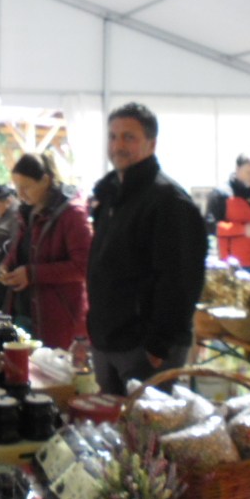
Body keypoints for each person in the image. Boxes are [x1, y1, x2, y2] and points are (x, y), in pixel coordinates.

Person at [86, 103, 207, 396]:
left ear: (151, 143)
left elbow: (181, 279)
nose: (118, 145)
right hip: (108, 339)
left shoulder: (169, 201)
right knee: (110, 420)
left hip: (144, 347)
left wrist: (159, 343)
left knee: (144, 423)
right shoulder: (111, 195)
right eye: (113, 136)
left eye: (129, 137)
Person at [0, 153, 91, 349]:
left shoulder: (72, 213)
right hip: (24, 312)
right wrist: (7, 265)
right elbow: (22, 248)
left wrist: (32, 274)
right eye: (16, 187)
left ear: (46, 181)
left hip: (58, 321)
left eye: (26, 187)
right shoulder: (27, 211)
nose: (20, 194)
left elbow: (83, 267)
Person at [206, 153, 250, 283]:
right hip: (235, 266)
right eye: (249, 172)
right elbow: (210, 226)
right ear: (237, 169)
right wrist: (242, 229)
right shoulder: (221, 193)